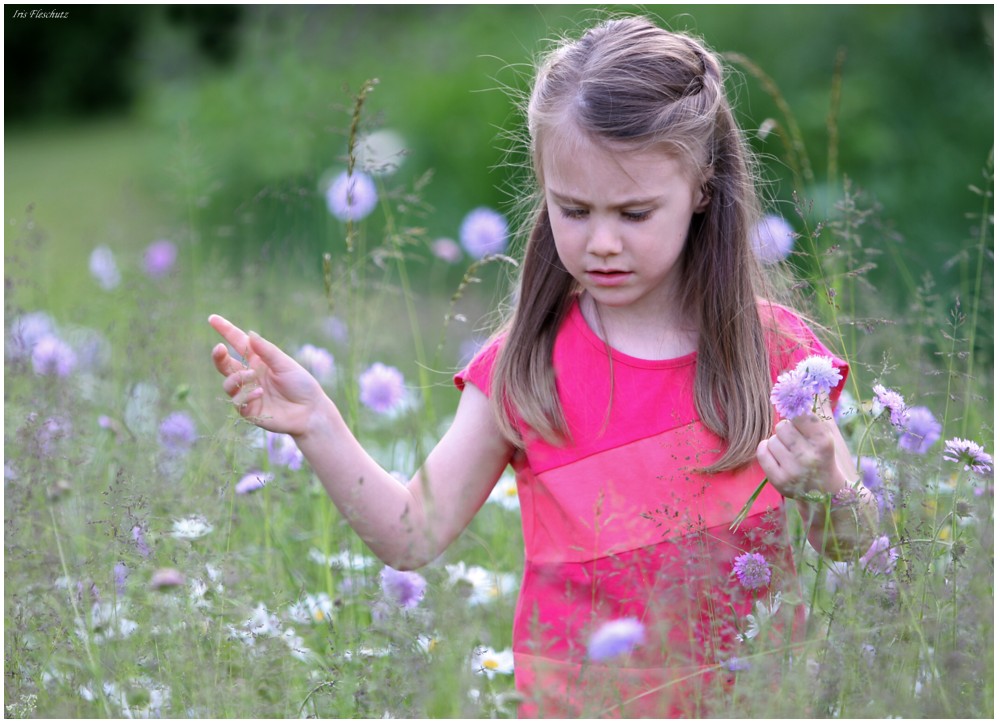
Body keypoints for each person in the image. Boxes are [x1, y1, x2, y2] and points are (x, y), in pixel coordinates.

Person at [209, 15, 877, 717]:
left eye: (636, 212)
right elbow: (411, 532)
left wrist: (830, 481)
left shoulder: (772, 355)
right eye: (574, 209)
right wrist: (316, 422)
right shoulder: (523, 371)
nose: (602, 242)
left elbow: (851, 544)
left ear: (702, 189)